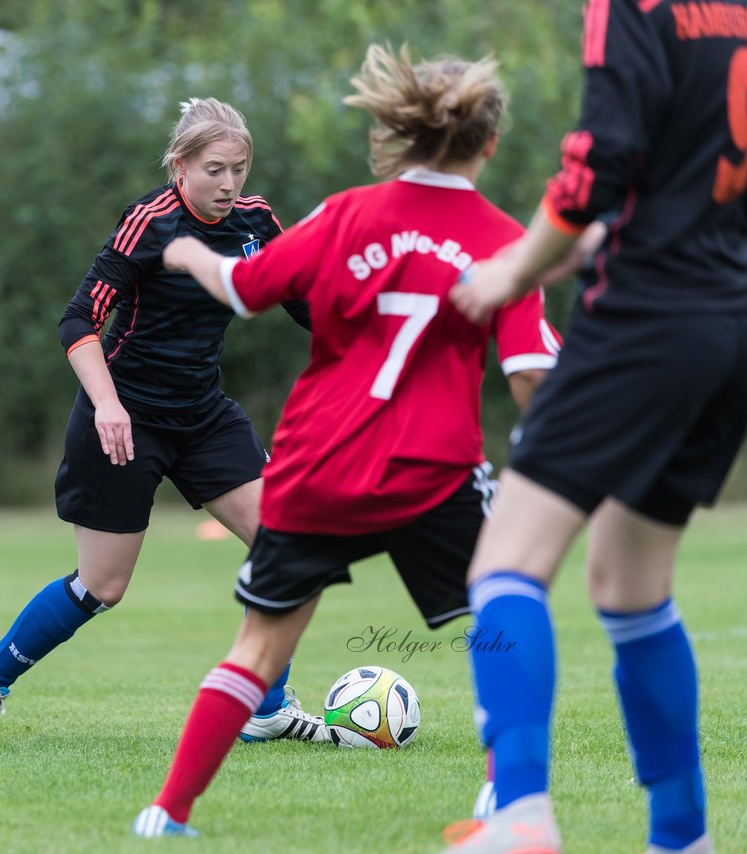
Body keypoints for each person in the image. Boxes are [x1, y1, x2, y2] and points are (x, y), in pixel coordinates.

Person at [129, 44, 561, 838]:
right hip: (433, 471)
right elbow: (532, 370)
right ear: (488, 144)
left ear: (400, 131)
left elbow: (247, 289)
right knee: (502, 610)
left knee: (257, 646)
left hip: (316, 464)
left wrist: (189, 251)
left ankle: (168, 813)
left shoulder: (344, 215)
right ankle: (507, 797)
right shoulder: (505, 239)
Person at [441, 0, 747, 850]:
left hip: (646, 319)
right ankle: (683, 836)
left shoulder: (634, 7)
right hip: (729, 322)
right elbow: (695, 172)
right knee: (631, 585)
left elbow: (592, 168)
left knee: (505, 563)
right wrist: (618, 232)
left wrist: (515, 270)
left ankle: (523, 816)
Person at [0, 98, 320, 745]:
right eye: (214, 169)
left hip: (204, 413)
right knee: (103, 586)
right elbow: (78, 320)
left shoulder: (256, 220)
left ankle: (266, 707)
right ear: (180, 166)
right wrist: (108, 403)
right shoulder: (150, 221)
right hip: (124, 416)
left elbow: (306, 305)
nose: (229, 184)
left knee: (285, 543)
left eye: (239, 168)